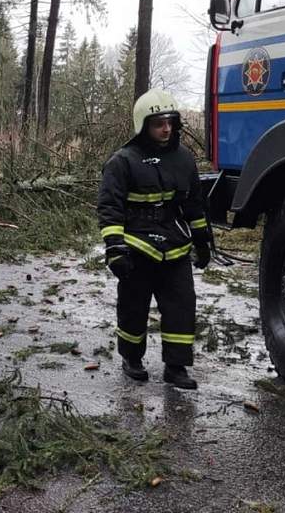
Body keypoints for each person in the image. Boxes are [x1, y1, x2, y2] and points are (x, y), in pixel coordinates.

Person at [97, 89, 211, 390]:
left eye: (170, 122)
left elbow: (194, 205)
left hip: (175, 247)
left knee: (182, 307)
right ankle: (131, 359)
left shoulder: (184, 159)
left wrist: (202, 241)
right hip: (138, 248)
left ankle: (176, 367)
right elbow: (110, 209)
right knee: (134, 307)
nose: (166, 128)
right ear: (143, 124)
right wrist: (115, 250)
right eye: (158, 122)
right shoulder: (122, 161)